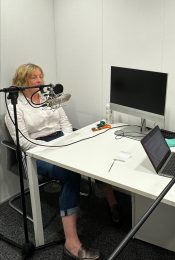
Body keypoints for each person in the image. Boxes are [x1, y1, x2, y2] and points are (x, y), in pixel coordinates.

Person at [5, 63, 103, 260]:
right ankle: (71, 243)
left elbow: (65, 124)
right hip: (37, 151)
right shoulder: (14, 107)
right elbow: (24, 142)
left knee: (96, 154)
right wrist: (52, 150)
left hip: (60, 140)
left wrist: (64, 142)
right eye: (34, 77)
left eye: (41, 76)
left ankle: (112, 203)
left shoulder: (49, 98)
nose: (40, 80)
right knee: (70, 173)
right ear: (22, 81)